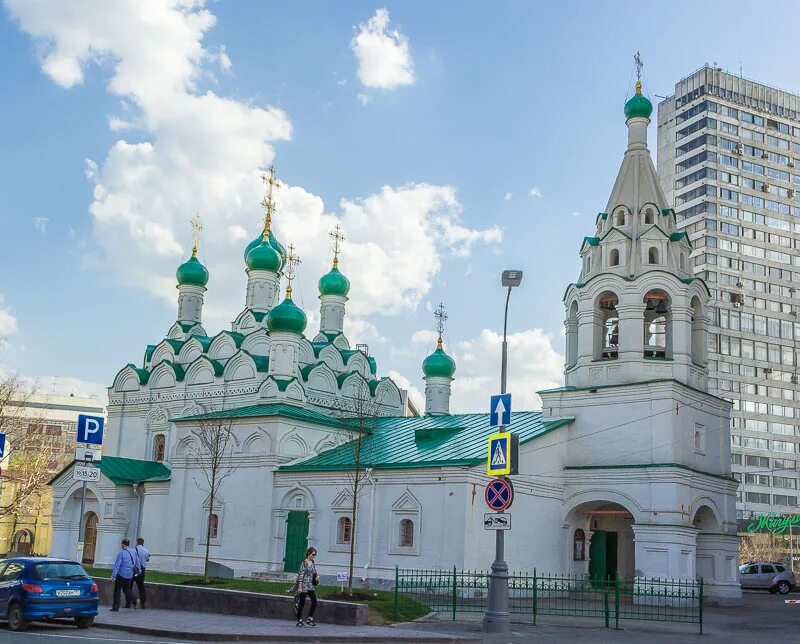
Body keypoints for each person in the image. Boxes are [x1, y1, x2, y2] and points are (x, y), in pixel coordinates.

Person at [292, 547, 318, 627]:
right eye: (313, 554)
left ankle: (310, 618)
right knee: (302, 603)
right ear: (308, 554)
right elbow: (301, 575)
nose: (314, 556)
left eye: (315, 555)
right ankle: (299, 620)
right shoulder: (304, 563)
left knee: (314, 602)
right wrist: (300, 587)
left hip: (310, 585)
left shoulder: (312, 562)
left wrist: (316, 578)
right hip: (303, 585)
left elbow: (314, 572)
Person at [110, 538, 139, 611]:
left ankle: (115, 607)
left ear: (123, 544)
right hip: (130, 575)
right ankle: (135, 600)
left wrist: (113, 575)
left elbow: (117, 565)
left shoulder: (122, 553)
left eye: (121, 544)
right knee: (127, 590)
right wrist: (139, 570)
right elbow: (137, 563)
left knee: (117, 591)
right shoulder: (134, 552)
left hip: (121, 574)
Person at [134, 537, 151, 609]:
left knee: (129, 585)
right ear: (143, 543)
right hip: (142, 570)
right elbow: (147, 559)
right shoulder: (146, 551)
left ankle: (128, 603)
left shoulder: (133, 550)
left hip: (135, 570)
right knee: (141, 587)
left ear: (137, 542)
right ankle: (143, 604)